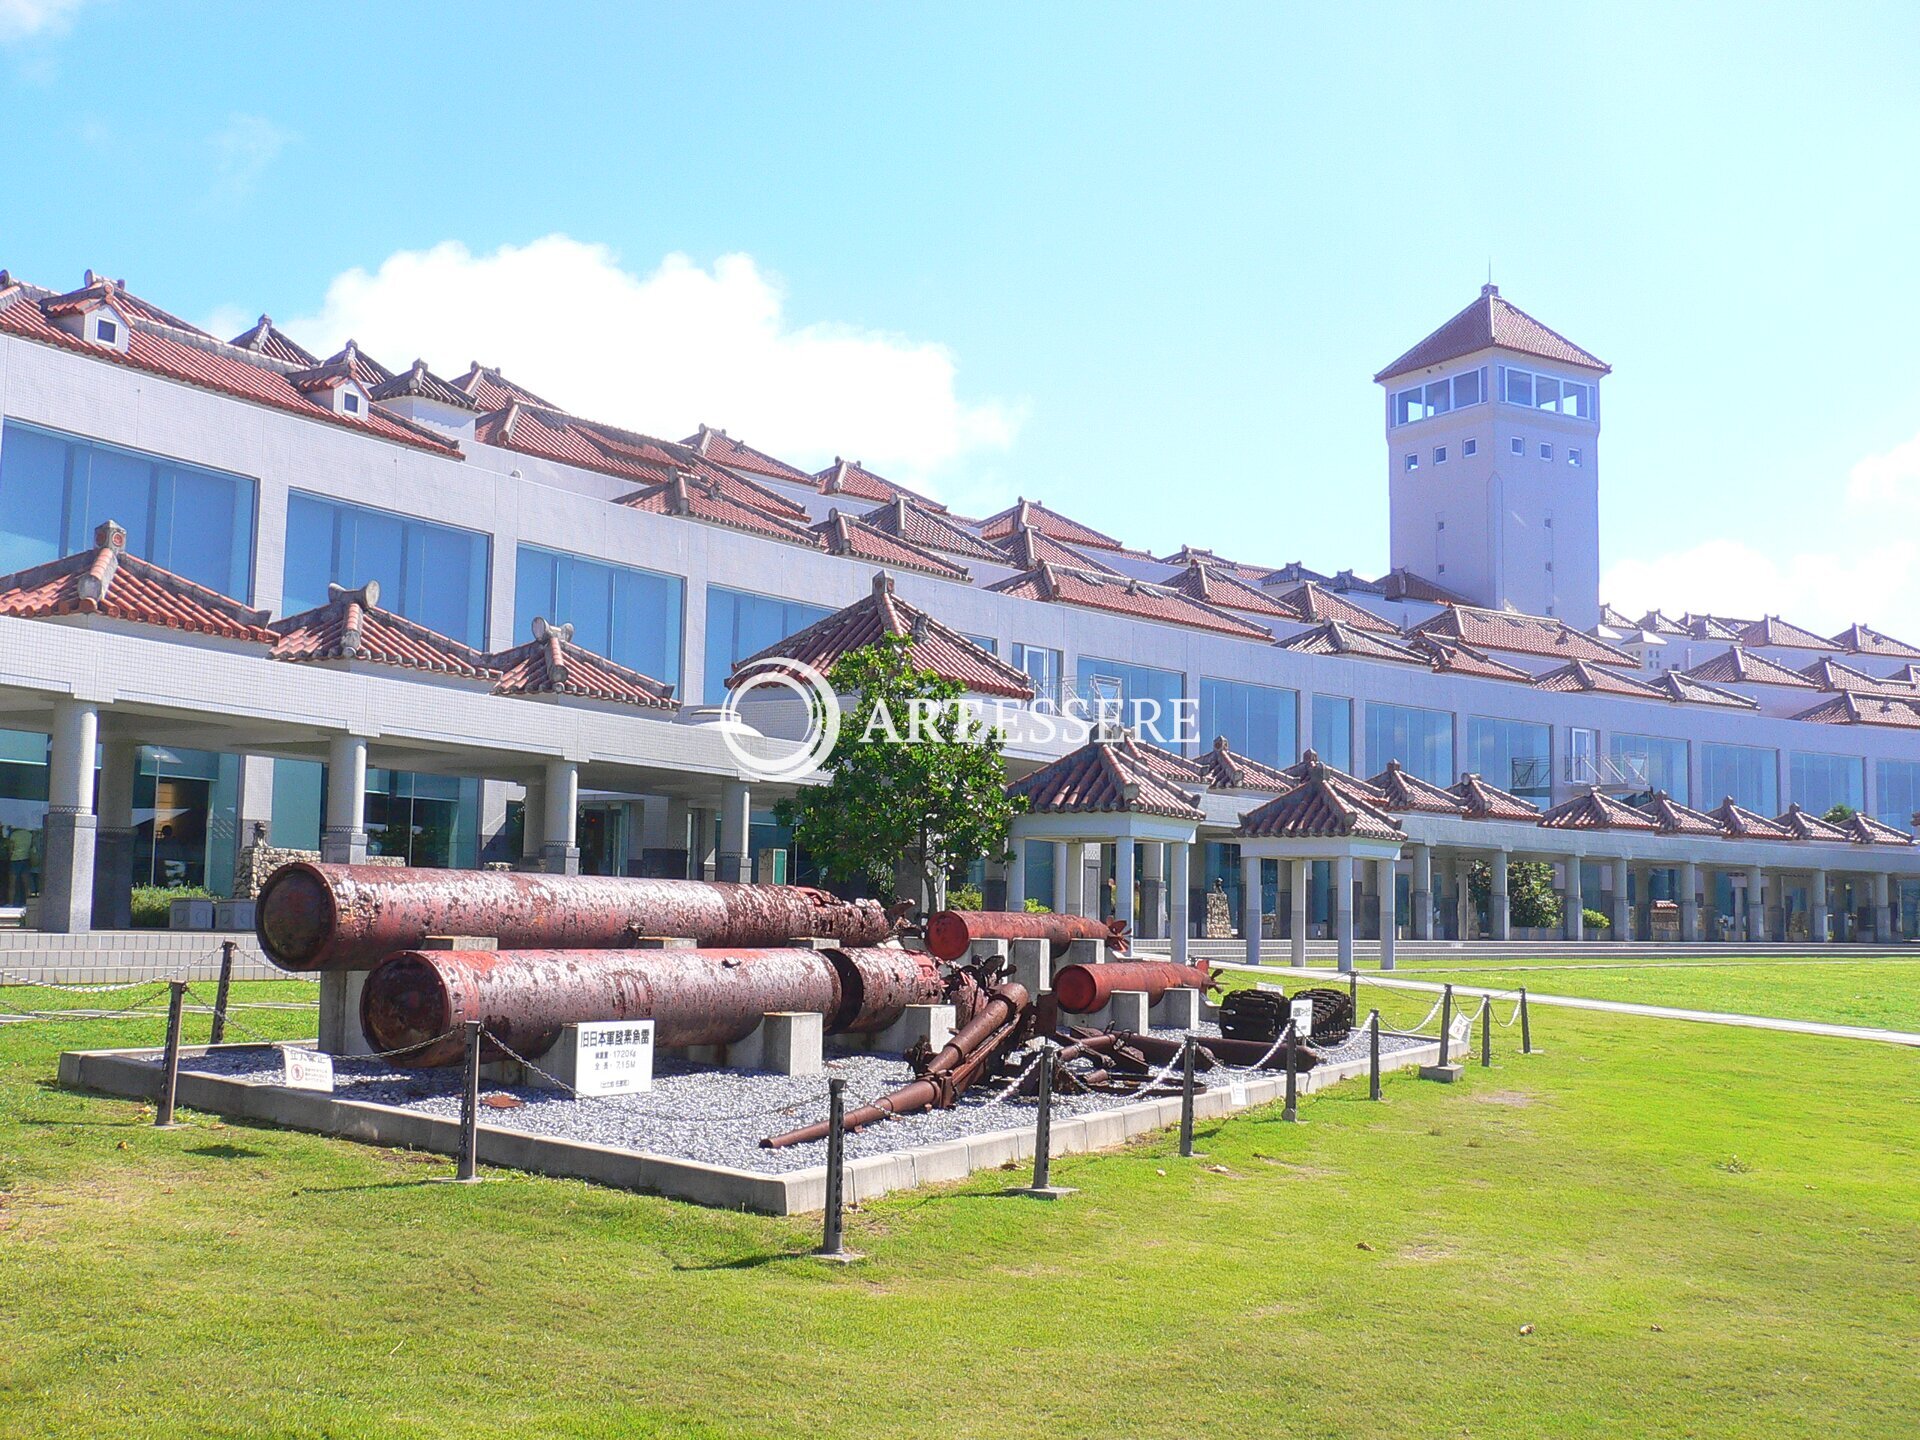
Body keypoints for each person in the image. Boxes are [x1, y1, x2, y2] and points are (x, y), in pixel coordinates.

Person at [7, 822, 35, 904]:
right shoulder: (29, 835)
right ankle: (28, 904)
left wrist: (9, 857)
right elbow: (32, 848)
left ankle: (10, 904)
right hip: (25, 860)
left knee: (12, 884)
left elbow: (10, 849)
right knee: (27, 885)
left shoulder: (14, 835)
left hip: (14, 860)